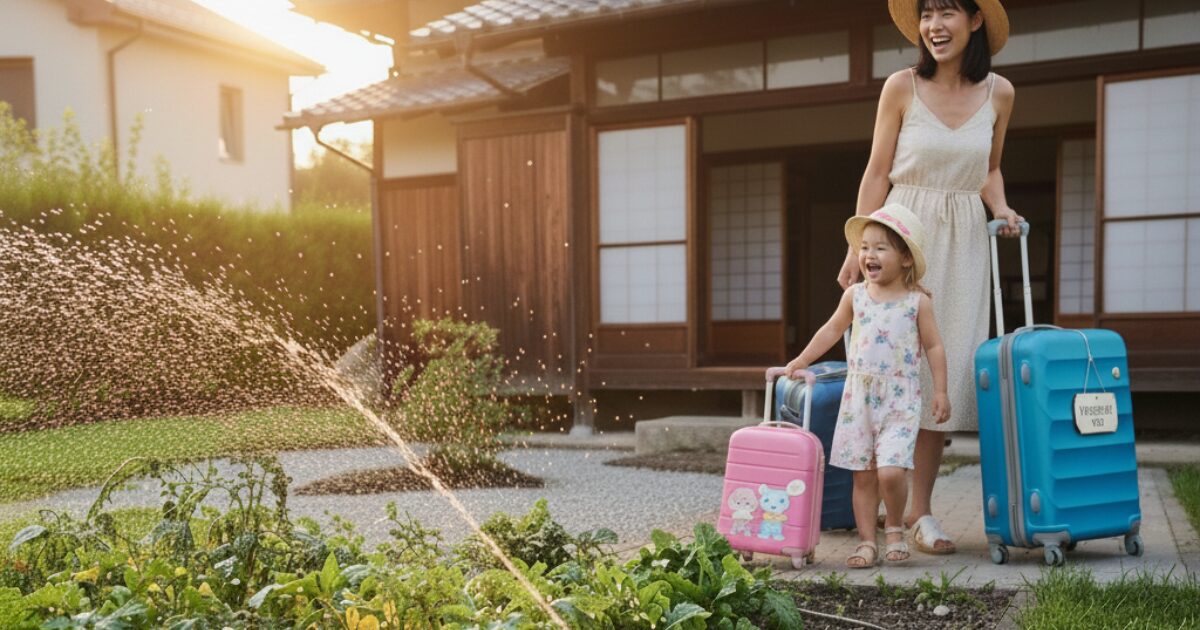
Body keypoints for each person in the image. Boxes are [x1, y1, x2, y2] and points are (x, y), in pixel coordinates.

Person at [837, 0, 1022, 555]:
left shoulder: (1001, 93)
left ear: (975, 22)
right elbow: (877, 169)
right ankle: (887, 511)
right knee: (895, 366)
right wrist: (856, 246)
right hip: (902, 229)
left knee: (942, 369)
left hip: (963, 237)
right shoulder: (900, 86)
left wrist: (1003, 209)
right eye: (926, 15)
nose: (934, 27)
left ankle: (921, 512)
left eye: (946, 13)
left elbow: (988, 168)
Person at [787, 204, 950, 568]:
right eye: (864, 247)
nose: (868, 255)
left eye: (880, 248)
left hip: (899, 400)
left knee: (891, 470)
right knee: (863, 475)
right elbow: (831, 329)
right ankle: (866, 541)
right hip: (859, 398)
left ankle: (893, 526)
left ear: (906, 259)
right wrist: (801, 360)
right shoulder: (855, 296)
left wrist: (940, 390)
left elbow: (935, 347)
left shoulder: (916, 302)